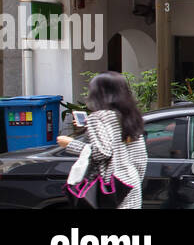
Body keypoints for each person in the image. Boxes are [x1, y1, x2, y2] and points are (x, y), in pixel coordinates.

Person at [57, 71, 148, 209]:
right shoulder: (131, 116)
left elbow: (102, 152)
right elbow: (141, 158)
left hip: (108, 187)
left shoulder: (98, 117)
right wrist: (132, 180)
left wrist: (70, 144)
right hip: (130, 184)